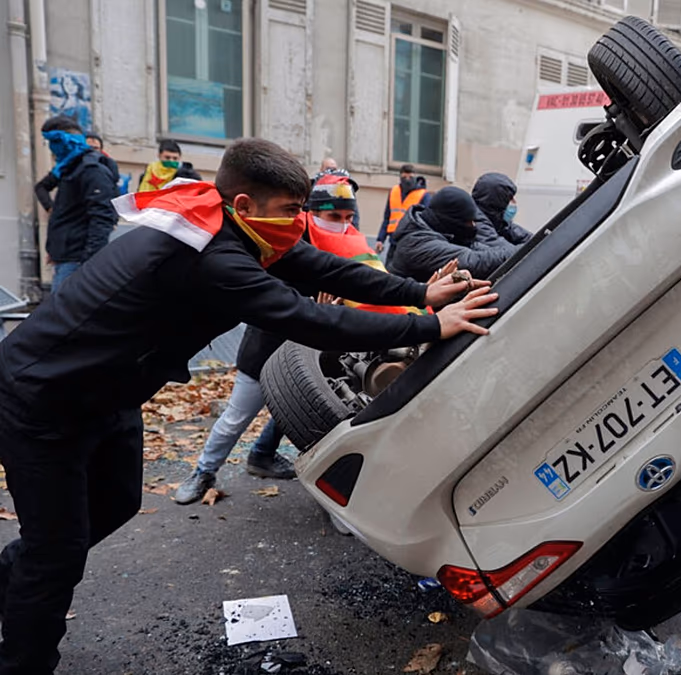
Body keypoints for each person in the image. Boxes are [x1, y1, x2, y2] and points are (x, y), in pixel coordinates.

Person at [0, 138, 497, 673]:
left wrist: (418, 293)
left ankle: (14, 576)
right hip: (41, 399)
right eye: (291, 209)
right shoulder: (211, 257)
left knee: (115, 505)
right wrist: (428, 325)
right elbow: (307, 318)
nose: (300, 220)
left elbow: (323, 268)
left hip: (106, 395)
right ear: (245, 205)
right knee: (58, 554)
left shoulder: (231, 224)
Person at [175, 173, 432, 504]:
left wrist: (421, 298)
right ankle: (204, 472)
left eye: (348, 217)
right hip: (266, 350)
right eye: (333, 217)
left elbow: (366, 281)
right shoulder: (282, 240)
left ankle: (263, 455)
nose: (342, 224)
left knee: (301, 410)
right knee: (236, 418)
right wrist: (314, 307)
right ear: (311, 212)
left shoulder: (349, 242)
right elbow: (271, 297)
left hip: (313, 354)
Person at [36, 115, 119, 293]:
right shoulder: (69, 169)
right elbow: (67, 213)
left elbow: (102, 217)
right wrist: (56, 249)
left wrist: (88, 262)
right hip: (66, 258)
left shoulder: (91, 170)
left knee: (64, 317)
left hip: (78, 261)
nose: (51, 149)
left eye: (54, 142)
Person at [387, 186, 519, 282]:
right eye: (469, 221)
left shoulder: (439, 230)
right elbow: (473, 262)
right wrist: (527, 250)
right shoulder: (417, 243)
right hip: (410, 313)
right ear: (451, 221)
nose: (474, 226)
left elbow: (476, 247)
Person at [376, 163, 430, 254]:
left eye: (410, 177)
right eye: (404, 178)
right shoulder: (394, 192)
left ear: (415, 178)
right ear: (400, 178)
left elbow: (426, 222)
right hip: (394, 241)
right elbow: (387, 218)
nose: (407, 180)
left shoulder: (423, 196)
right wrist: (380, 239)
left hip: (411, 242)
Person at [471, 172, 533, 247]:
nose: (514, 202)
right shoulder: (475, 222)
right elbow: (503, 250)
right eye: (509, 198)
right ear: (496, 201)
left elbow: (520, 234)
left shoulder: (495, 218)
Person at [136, 139, 202, 192]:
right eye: (167, 158)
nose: (171, 161)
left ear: (179, 158)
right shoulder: (149, 172)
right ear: (159, 156)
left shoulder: (188, 174)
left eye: (175, 158)